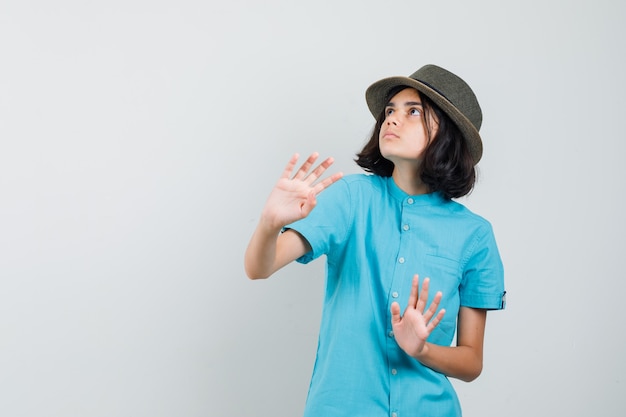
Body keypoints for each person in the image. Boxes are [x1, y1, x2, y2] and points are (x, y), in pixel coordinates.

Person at [244, 64, 506, 417]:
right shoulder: (350, 198)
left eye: (413, 111)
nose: (392, 120)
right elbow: (260, 267)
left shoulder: (475, 235)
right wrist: (268, 224)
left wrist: (422, 349)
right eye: (389, 111)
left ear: (448, 134)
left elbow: (472, 362)